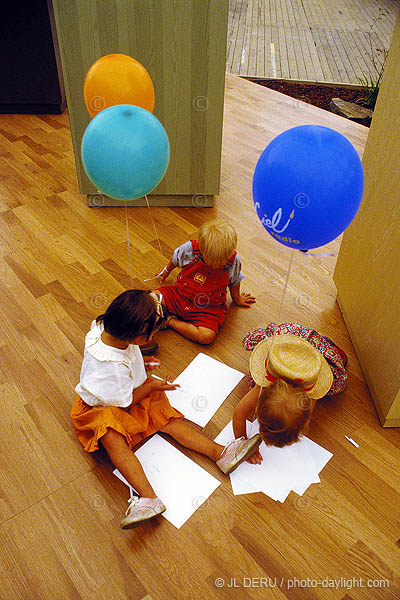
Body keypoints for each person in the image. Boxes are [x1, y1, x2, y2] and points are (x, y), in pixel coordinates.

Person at [71, 289, 261, 529]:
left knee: (166, 418)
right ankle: (147, 496)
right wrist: (150, 387)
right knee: (112, 439)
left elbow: (125, 360)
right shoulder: (110, 368)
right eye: (151, 333)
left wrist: (141, 365)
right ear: (136, 336)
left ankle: (221, 453)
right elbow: (124, 401)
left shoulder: (104, 328)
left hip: (127, 390)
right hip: (104, 406)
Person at [233, 322, 348, 459]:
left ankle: (326, 347)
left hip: (313, 353)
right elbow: (238, 415)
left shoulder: (312, 381)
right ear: (258, 408)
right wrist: (243, 447)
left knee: (335, 381)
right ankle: (323, 345)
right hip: (284, 345)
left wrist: (301, 423)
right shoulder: (262, 385)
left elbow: (310, 410)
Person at [154, 218, 255, 344]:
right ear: (201, 249)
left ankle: (170, 321)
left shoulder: (234, 261)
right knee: (151, 298)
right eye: (211, 262)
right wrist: (165, 272)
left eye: (221, 262)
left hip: (208, 308)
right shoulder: (190, 249)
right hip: (179, 296)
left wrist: (237, 299)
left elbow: (234, 281)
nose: (216, 266)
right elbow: (175, 259)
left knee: (206, 337)